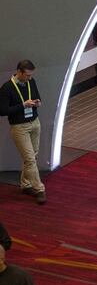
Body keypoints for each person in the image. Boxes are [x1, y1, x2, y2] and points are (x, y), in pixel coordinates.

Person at [0, 60, 45, 204]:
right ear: (19, 72)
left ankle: (26, 185)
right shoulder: (7, 88)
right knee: (30, 159)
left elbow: (38, 97)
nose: (29, 78)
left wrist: (37, 102)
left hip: (35, 122)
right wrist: (23, 105)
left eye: (31, 75)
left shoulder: (31, 82)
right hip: (20, 127)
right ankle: (40, 189)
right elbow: (2, 111)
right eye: (27, 75)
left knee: (33, 156)